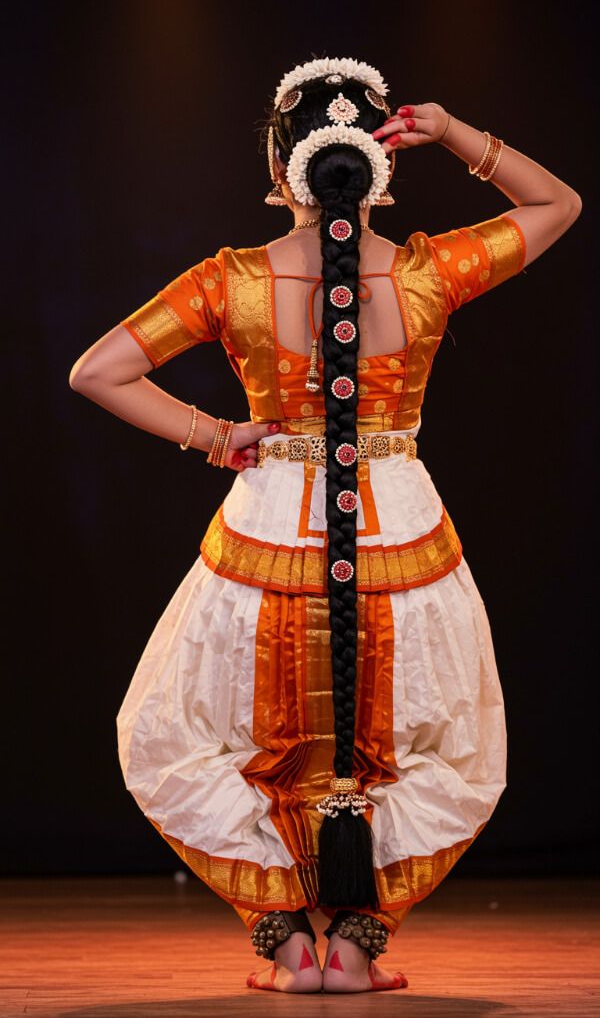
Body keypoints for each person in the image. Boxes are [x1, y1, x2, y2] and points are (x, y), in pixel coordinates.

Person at [69, 56, 582, 995]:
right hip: (402, 533)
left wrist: (219, 437)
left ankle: (285, 940)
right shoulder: (429, 274)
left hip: (267, 528)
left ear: (280, 174)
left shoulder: (232, 281)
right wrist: (457, 132)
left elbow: (95, 371)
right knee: (416, 741)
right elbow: (558, 207)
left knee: (213, 734)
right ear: (380, 168)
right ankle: (354, 941)